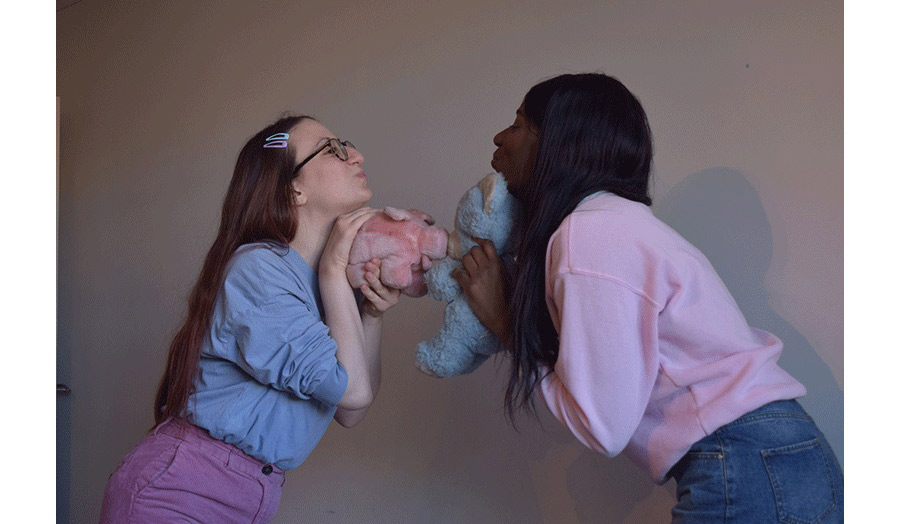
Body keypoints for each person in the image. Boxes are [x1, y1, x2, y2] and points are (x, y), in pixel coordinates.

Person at [453, 73, 843, 523]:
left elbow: (602, 428)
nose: (500, 137)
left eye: (520, 122)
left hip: (747, 462)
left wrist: (505, 322)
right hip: (773, 461)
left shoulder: (590, 232)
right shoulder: (611, 225)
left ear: (560, 141)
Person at [100, 115, 399, 523]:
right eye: (333, 148)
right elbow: (353, 395)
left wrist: (373, 316)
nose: (356, 154)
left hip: (247, 498)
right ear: (293, 188)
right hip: (176, 495)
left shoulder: (321, 287)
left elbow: (351, 411)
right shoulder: (258, 269)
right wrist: (334, 269)